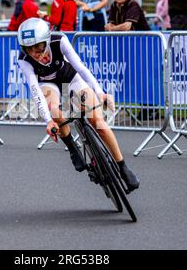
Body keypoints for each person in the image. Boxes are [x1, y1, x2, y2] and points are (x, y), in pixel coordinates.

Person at [16, 18, 140, 192]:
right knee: (54, 111)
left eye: (39, 47)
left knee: (98, 121)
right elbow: (34, 89)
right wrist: (48, 121)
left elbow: (81, 68)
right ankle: (72, 146)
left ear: (47, 40)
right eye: (30, 49)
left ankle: (122, 166)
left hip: (70, 78)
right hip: (48, 86)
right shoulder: (24, 59)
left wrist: (100, 92)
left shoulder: (59, 41)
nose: (36, 53)